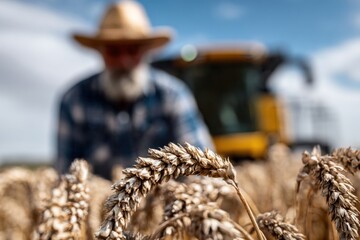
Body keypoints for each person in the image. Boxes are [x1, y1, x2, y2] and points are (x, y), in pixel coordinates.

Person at [55, 0, 213, 180]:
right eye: (114, 51)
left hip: (165, 206)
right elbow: (67, 176)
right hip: (101, 207)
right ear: (100, 52)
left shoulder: (173, 95)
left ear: (146, 51)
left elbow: (201, 170)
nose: (124, 61)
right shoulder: (74, 100)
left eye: (132, 50)